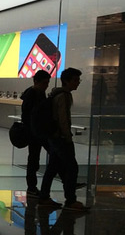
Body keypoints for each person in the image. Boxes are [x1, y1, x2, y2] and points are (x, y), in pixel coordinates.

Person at [38, 68, 88, 211]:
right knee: (72, 167)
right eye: (75, 80)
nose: (77, 83)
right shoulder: (64, 96)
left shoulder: (55, 94)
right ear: (66, 81)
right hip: (60, 138)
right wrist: (67, 136)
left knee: (53, 168)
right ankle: (71, 200)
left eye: (78, 80)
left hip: (53, 137)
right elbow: (63, 118)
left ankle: (44, 196)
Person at [20, 70, 50, 196]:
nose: (46, 85)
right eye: (44, 83)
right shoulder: (33, 95)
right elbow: (29, 116)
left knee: (34, 159)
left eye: (47, 83)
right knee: (33, 160)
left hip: (37, 132)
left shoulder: (37, 93)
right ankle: (32, 187)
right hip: (35, 133)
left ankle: (32, 187)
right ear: (36, 82)